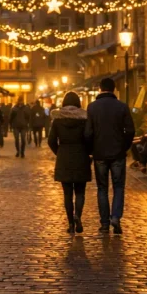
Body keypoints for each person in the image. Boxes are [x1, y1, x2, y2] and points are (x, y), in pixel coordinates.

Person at [86, 76, 135, 235]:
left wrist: (90, 149)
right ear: (114, 89)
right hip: (117, 154)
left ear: (100, 88)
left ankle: (105, 222)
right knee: (118, 186)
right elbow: (131, 131)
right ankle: (116, 217)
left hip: (99, 153)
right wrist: (124, 147)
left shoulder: (92, 107)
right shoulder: (122, 107)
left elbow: (88, 132)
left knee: (102, 188)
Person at [48, 91, 91, 234]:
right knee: (80, 192)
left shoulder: (58, 119)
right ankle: (78, 215)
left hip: (64, 157)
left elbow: (51, 141)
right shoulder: (84, 118)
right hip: (81, 156)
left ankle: (71, 224)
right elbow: (89, 137)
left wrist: (59, 152)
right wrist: (88, 152)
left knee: (67, 194)